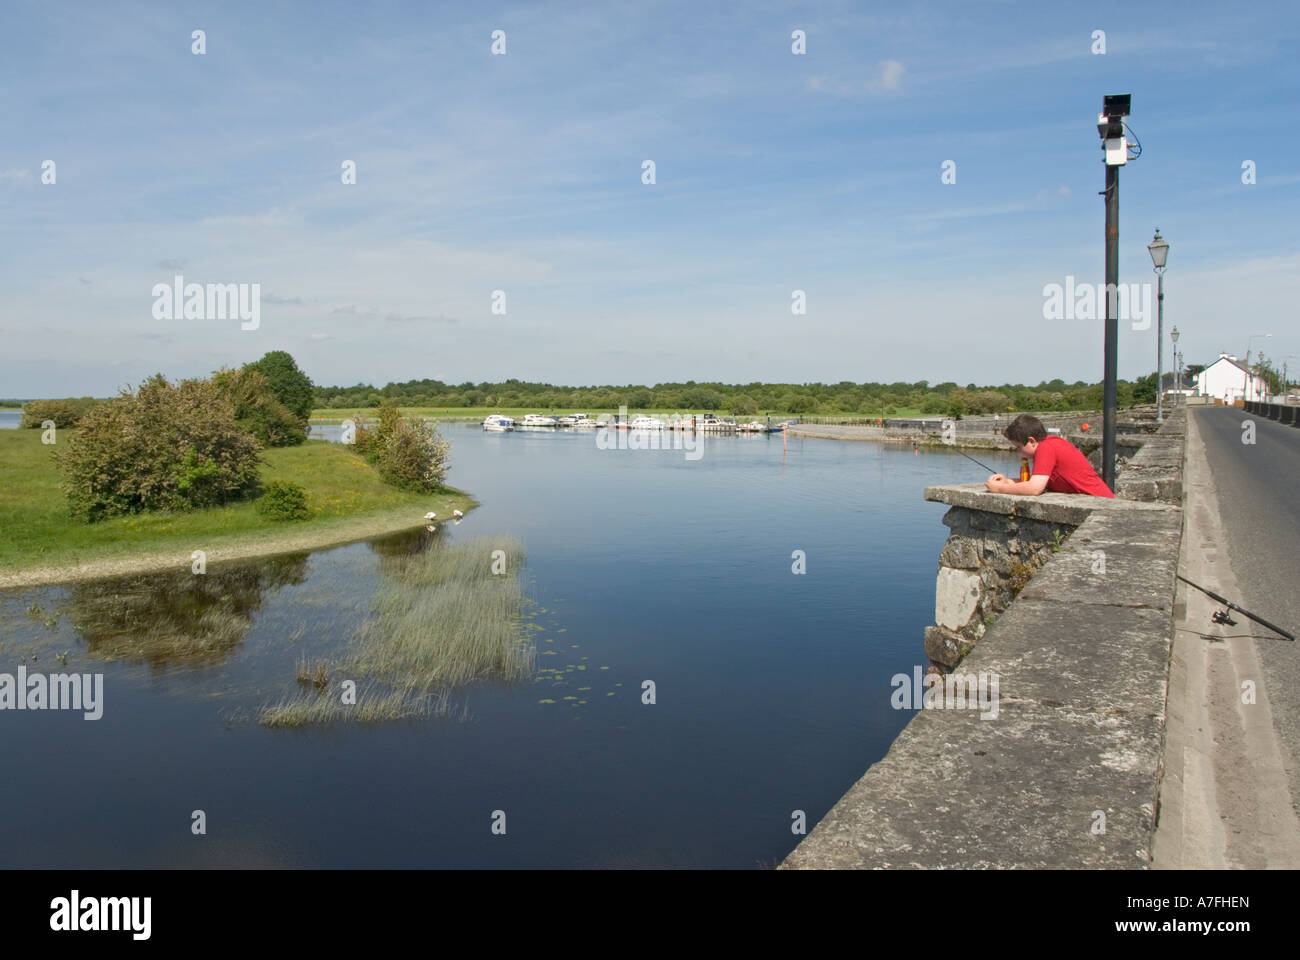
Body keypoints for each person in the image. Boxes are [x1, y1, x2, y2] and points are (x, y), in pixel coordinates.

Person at [985, 413, 1114, 497]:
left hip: (1101, 505)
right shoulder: (1050, 444)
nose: (1019, 451)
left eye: (1019, 447)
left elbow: (1035, 488)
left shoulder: (1046, 448)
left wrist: (999, 489)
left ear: (1031, 441)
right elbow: (1036, 481)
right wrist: (1007, 481)